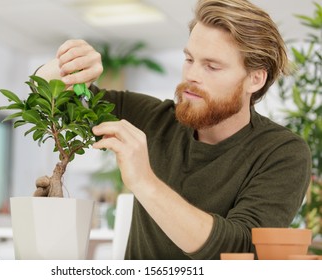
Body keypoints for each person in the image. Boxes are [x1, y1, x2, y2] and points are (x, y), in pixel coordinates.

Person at [38, 0, 311, 259]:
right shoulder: (151, 118)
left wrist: (145, 182)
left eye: (212, 66)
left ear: (255, 78)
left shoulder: (282, 153)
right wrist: (68, 65)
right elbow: (49, 98)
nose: (192, 75)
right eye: (189, 59)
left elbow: (240, 250)